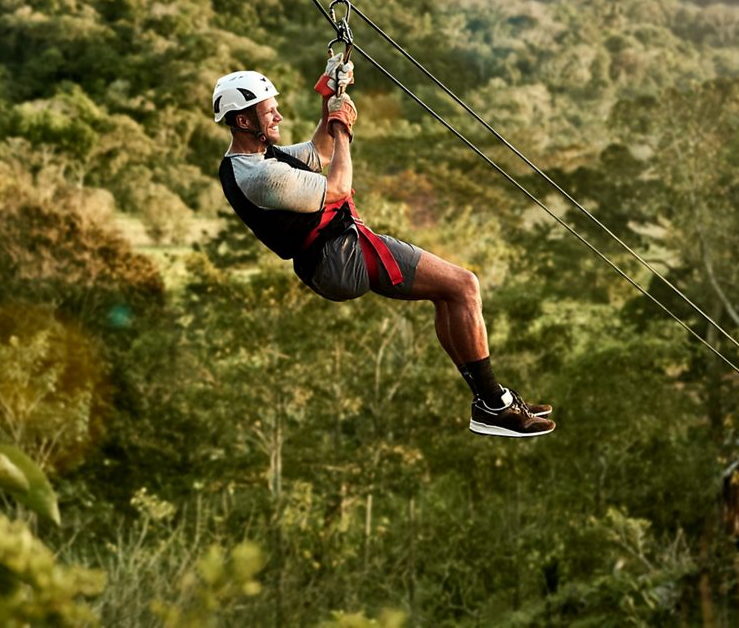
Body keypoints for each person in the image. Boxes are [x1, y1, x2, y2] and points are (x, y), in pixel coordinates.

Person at [213, 62, 554, 438]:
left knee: (449, 295)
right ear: (244, 122)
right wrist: (342, 129)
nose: (277, 115)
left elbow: (317, 152)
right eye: (268, 112)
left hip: (333, 255)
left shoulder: (260, 159)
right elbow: (338, 185)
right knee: (464, 285)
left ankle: (490, 400)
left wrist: (330, 95)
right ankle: (493, 406)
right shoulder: (259, 176)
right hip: (338, 256)